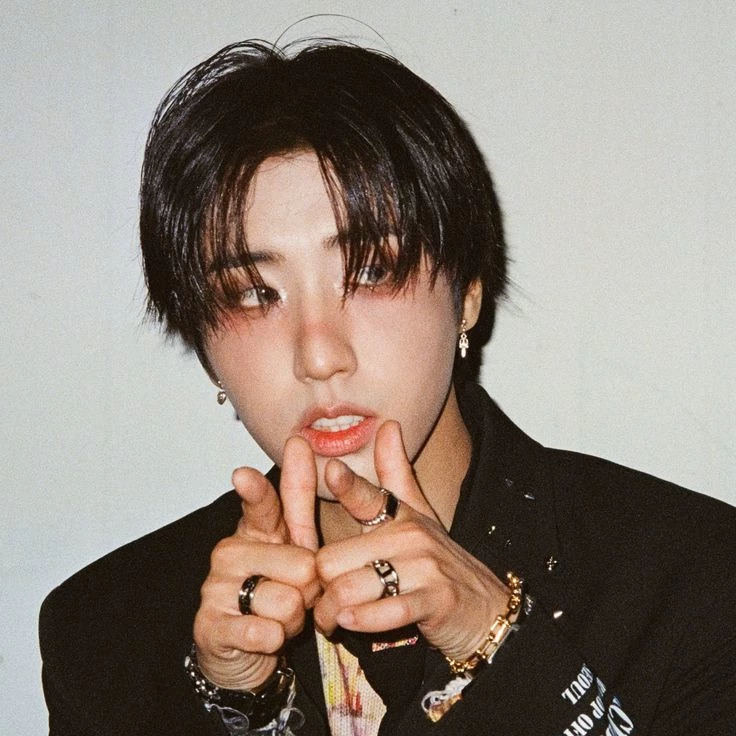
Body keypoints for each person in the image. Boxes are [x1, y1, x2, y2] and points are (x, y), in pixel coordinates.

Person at [39, 39, 736, 736]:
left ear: (468, 292)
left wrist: (494, 642)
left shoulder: (696, 581)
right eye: (254, 292)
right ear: (205, 349)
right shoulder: (105, 632)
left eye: (371, 271)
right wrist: (241, 706)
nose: (319, 356)